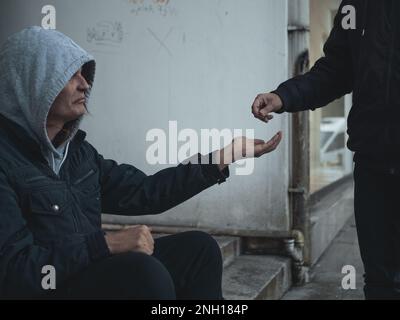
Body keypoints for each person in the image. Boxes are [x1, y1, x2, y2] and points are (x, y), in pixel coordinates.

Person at [0, 26, 282, 299]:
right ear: (32, 82)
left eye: (82, 74)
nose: (84, 84)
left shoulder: (78, 154)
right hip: (50, 288)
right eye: (69, 75)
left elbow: (144, 192)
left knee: (200, 250)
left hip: (88, 272)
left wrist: (224, 156)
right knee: (143, 273)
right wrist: (105, 245)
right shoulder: (6, 160)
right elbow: (15, 273)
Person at [252, 0, 400, 300]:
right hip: (374, 164)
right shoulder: (358, 5)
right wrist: (283, 96)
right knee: (380, 281)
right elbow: (336, 70)